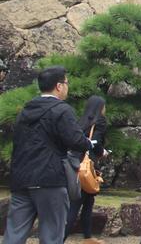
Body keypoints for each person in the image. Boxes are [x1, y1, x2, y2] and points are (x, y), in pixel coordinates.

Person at [4, 66, 93, 244]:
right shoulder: (62, 110)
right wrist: (89, 143)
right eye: (66, 83)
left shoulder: (25, 110)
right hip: (50, 178)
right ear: (59, 86)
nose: (67, 87)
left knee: (14, 233)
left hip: (21, 178)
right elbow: (76, 140)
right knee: (52, 234)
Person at [65, 95, 108, 244]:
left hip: (75, 163)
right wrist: (102, 152)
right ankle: (59, 239)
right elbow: (95, 142)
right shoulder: (100, 121)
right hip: (87, 167)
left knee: (88, 202)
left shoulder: (81, 121)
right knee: (76, 204)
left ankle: (88, 237)